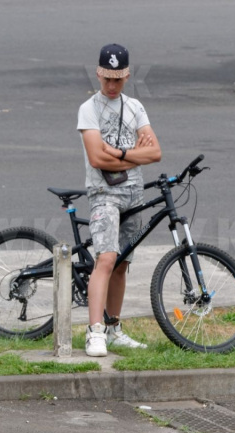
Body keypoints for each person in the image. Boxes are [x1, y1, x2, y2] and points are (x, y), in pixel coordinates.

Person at [77, 43, 162, 357]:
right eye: (107, 78)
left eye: (118, 79)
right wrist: (133, 156)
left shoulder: (136, 107)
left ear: (127, 75)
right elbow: (97, 158)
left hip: (133, 195)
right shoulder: (89, 109)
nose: (111, 85)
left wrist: (121, 154)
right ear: (98, 73)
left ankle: (114, 328)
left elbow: (155, 152)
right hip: (104, 195)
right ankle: (95, 331)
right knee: (107, 259)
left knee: (123, 264)